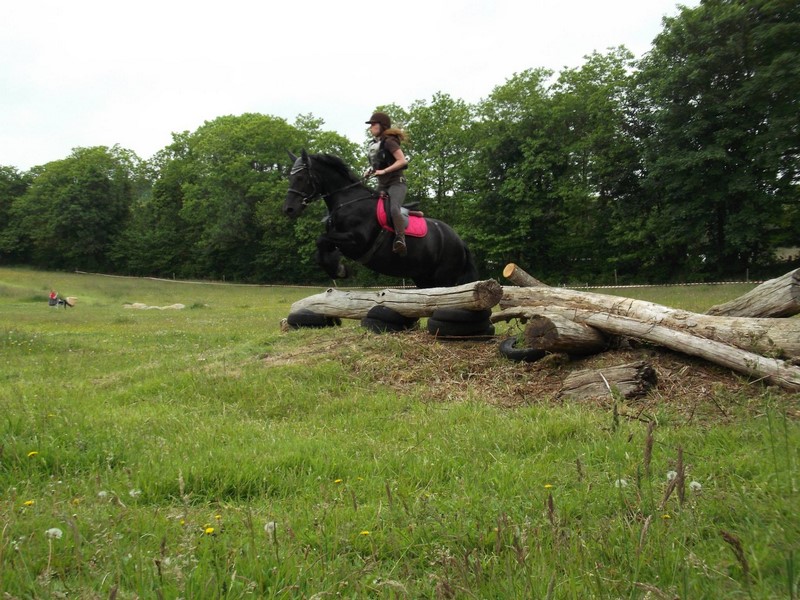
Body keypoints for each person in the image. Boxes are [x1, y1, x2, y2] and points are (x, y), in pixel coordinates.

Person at [365, 111, 410, 256]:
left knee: (393, 209)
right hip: (383, 185)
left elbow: (402, 161)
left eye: (373, 124)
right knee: (371, 208)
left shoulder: (390, 141)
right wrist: (371, 171)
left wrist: (384, 171)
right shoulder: (376, 144)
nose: (371, 127)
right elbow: (381, 164)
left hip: (397, 183)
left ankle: (400, 239)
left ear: (382, 125)